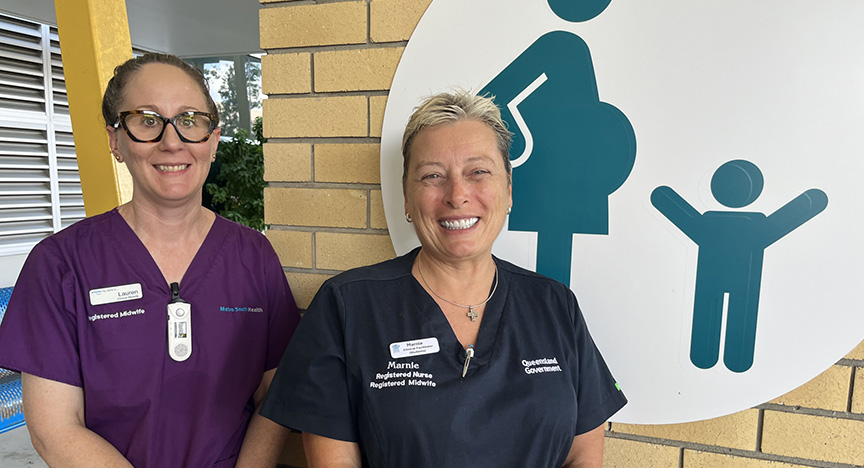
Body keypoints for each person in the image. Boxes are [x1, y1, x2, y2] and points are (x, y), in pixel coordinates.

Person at [260, 90, 626, 467]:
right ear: (406, 197)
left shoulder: (554, 305)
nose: (457, 195)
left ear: (509, 190)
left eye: (478, 172)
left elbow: (582, 456)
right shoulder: (347, 306)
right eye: (433, 175)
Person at [0, 53, 300, 467]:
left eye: (189, 120)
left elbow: (274, 396)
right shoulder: (59, 264)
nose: (172, 141)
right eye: (147, 120)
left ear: (212, 140)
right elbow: (55, 428)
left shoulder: (253, 256)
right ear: (115, 139)